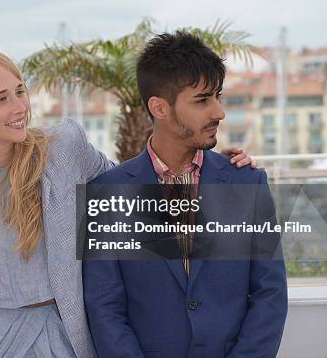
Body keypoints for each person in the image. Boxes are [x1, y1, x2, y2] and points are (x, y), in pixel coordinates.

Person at [0, 49, 256, 357]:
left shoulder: (63, 149)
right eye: (1, 99)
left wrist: (213, 170)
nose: (19, 107)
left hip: (62, 337)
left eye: (20, 91)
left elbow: (131, 184)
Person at [83, 32, 288, 358]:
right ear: (159, 107)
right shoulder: (106, 193)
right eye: (202, 100)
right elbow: (104, 305)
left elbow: (270, 293)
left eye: (217, 96)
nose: (218, 112)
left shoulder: (247, 183)